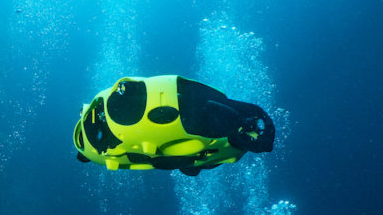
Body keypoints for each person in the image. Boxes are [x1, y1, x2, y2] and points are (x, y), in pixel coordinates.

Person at [73, 75, 274, 175]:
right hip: (184, 122)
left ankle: (237, 133)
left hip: (184, 115)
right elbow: (166, 162)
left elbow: (165, 163)